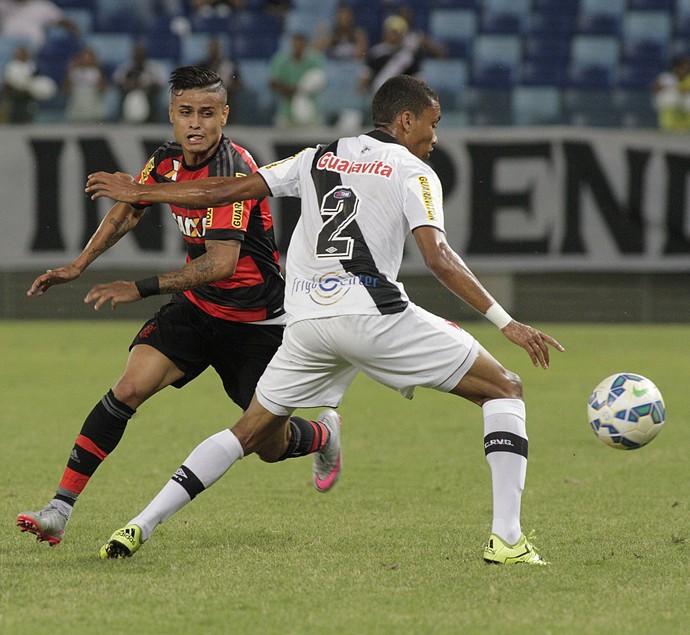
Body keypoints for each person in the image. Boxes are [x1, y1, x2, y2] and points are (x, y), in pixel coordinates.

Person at [86, 74, 564, 564]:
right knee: (504, 387)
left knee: (248, 431)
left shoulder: (315, 155)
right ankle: (507, 540)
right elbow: (439, 257)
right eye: (432, 123)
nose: (435, 137)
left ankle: (139, 523)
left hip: (306, 323)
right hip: (374, 317)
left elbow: (223, 191)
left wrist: (145, 193)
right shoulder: (413, 172)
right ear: (405, 120)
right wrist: (507, 322)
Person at [16, 66, 342, 548]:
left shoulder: (235, 170)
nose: (196, 123)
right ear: (170, 114)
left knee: (269, 446)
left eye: (207, 113)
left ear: (224, 116)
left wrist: (141, 287)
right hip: (195, 311)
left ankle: (321, 435)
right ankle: (59, 510)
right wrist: (78, 265)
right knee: (127, 388)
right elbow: (129, 209)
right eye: (186, 112)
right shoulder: (166, 159)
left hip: (258, 325)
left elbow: (222, 263)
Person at [268, 31, 327, 128]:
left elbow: (320, 79)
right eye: (295, 45)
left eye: (301, 45)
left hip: (311, 110)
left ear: (306, 46)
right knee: (284, 140)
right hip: (286, 111)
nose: (298, 48)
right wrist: (294, 90)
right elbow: (273, 82)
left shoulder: (315, 60)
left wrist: (300, 90)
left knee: (313, 140)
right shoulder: (280, 60)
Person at [358, 14, 422, 95]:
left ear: (403, 34)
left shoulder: (410, 55)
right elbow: (366, 76)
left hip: (402, 97)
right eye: (391, 31)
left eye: (397, 32)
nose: (394, 35)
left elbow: (418, 80)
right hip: (379, 96)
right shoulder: (376, 52)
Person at [113, 41, 168, 124]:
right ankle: (121, 120)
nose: (139, 55)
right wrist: (129, 85)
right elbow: (118, 81)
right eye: (136, 53)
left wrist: (145, 85)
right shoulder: (126, 68)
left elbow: (161, 83)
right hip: (129, 92)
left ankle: (153, 121)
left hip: (148, 94)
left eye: (141, 53)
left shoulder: (154, 67)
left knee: (154, 98)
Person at [0, 44, 57, 123]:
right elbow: (8, 83)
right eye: (18, 53)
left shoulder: (31, 66)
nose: (20, 55)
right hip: (15, 98)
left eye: (22, 53)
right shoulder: (11, 66)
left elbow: (36, 80)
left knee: (28, 119)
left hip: (29, 98)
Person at [0, 0, 79, 49]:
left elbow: (61, 20)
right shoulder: (4, 5)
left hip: (31, 44)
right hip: (8, 45)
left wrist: (76, 32)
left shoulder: (41, 5)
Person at [63, 47, 109, 124]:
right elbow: (65, 90)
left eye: (89, 57)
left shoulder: (97, 72)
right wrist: (70, 71)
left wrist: (100, 72)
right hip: (77, 106)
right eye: (84, 57)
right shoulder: (74, 72)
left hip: (93, 105)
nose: (86, 59)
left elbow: (102, 88)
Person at [652, 55, 690, 132]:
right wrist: (665, 87)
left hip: (683, 102)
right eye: (682, 67)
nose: (684, 69)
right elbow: (654, 88)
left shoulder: (688, 78)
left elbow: (684, 90)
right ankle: (667, 124)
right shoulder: (667, 77)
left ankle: (686, 125)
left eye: (686, 67)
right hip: (669, 102)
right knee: (670, 98)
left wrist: (679, 88)